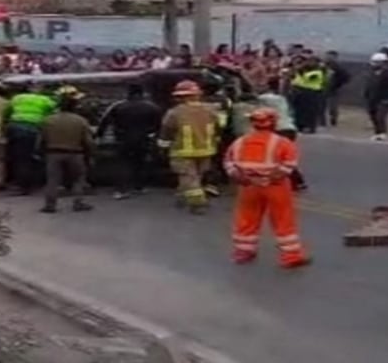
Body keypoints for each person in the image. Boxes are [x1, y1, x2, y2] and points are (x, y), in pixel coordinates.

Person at [223, 107, 310, 269]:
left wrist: (239, 177)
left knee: (246, 218)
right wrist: (274, 176)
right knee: (283, 219)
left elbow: (229, 162)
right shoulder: (282, 142)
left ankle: (244, 250)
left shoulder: (240, 141)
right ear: (274, 123)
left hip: (249, 185)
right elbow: (290, 163)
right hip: (275, 186)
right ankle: (291, 255)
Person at [158, 80, 220, 214]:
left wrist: (162, 146)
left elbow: (166, 131)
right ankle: (182, 197)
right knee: (196, 176)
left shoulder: (174, 113)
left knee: (189, 178)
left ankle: (198, 204)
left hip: (182, 151)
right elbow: (218, 127)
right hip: (207, 149)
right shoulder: (211, 110)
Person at [96, 83, 163, 200]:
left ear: (128, 93)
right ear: (142, 93)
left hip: (123, 139)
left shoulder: (118, 106)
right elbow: (159, 125)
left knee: (123, 164)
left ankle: (121, 190)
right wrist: (153, 135)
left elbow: (104, 122)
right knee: (140, 162)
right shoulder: (152, 107)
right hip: (143, 139)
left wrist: (99, 136)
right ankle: (139, 186)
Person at [39, 95, 95, 213]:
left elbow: (41, 139)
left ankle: (50, 205)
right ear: (75, 107)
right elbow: (88, 141)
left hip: (53, 153)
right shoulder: (80, 120)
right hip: (75, 153)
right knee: (78, 179)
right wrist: (90, 154)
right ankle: (78, 203)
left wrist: (40, 152)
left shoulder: (48, 120)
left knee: (53, 180)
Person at [5, 83, 57, 195]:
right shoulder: (46, 100)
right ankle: (32, 183)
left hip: (16, 128)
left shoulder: (17, 98)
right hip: (34, 131)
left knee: (19, 158)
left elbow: (7, 112)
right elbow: (53, 113)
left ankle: (20, 184)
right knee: (34, 157)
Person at [256, 84, 309, 191]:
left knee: (279, 157)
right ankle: (295, 181)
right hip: (289, 128)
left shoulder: (266, 99)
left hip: (281, 130)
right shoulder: (281, 100)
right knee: (283, 156)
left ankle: (296, 181)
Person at [364, 52, 388, 141]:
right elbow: (369, 85)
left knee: (380, 116)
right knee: (373, 115)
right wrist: (366, 95)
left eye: (377, 62)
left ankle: (382, 133)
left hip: (383, 99)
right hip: (372, 98)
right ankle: (377, 132)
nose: (374, 64)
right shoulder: (372, 72)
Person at [289, 56, 325, 133]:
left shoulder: (318, 72)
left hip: (312, 92)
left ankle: (311, 127)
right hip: (301, 92)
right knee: (300, 110)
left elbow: (307, 79)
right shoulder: (304, 71)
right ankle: (299, 125)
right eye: (309, 61)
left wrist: (299, 71)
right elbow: (295, 80)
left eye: (312, 62)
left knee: (310, 112)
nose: (309, 63)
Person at [320, 50, 351, 127]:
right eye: (327, 56)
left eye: (331, 57)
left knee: (332, 107)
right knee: (321, 106)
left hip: (333, 90)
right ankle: (322, 121)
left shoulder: (338, 68)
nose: (328, 58)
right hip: (321, 88)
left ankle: (333, 118)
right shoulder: (321, 66)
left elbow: (346, 77)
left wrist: (338, 84)